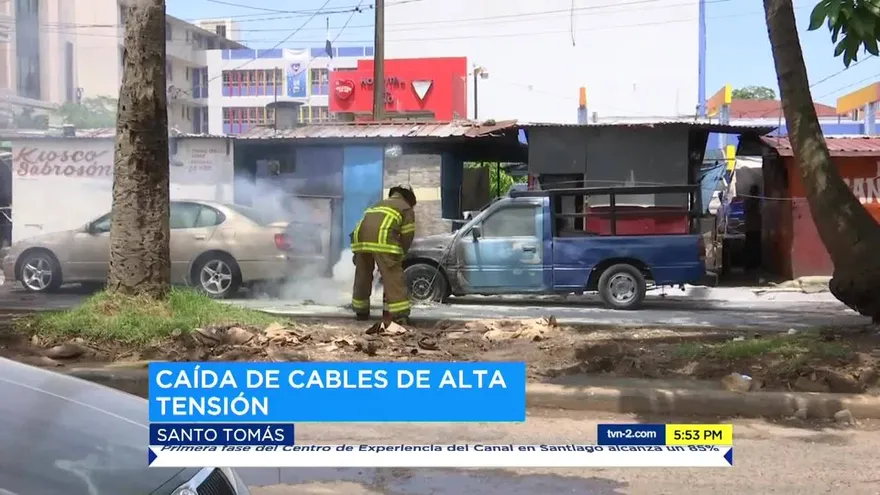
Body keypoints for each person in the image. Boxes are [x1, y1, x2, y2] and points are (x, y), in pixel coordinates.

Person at [350, 185, 417, 324]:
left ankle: (360, 310)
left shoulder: (378, 204)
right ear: (409, 199)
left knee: (362, 275)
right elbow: (407, 235)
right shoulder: (405, 208)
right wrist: (401, 253)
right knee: (394, 278)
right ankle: (400, 315)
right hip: (383, 242)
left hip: (360, 240)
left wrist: (356, 252)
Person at [743, 184, 762, 271]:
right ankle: (751, 265)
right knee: (753, 247)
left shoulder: (757, 201)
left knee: (753, 247)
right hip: (753, 227)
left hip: (753, 227)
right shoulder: (751, 201)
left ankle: (753, 265)